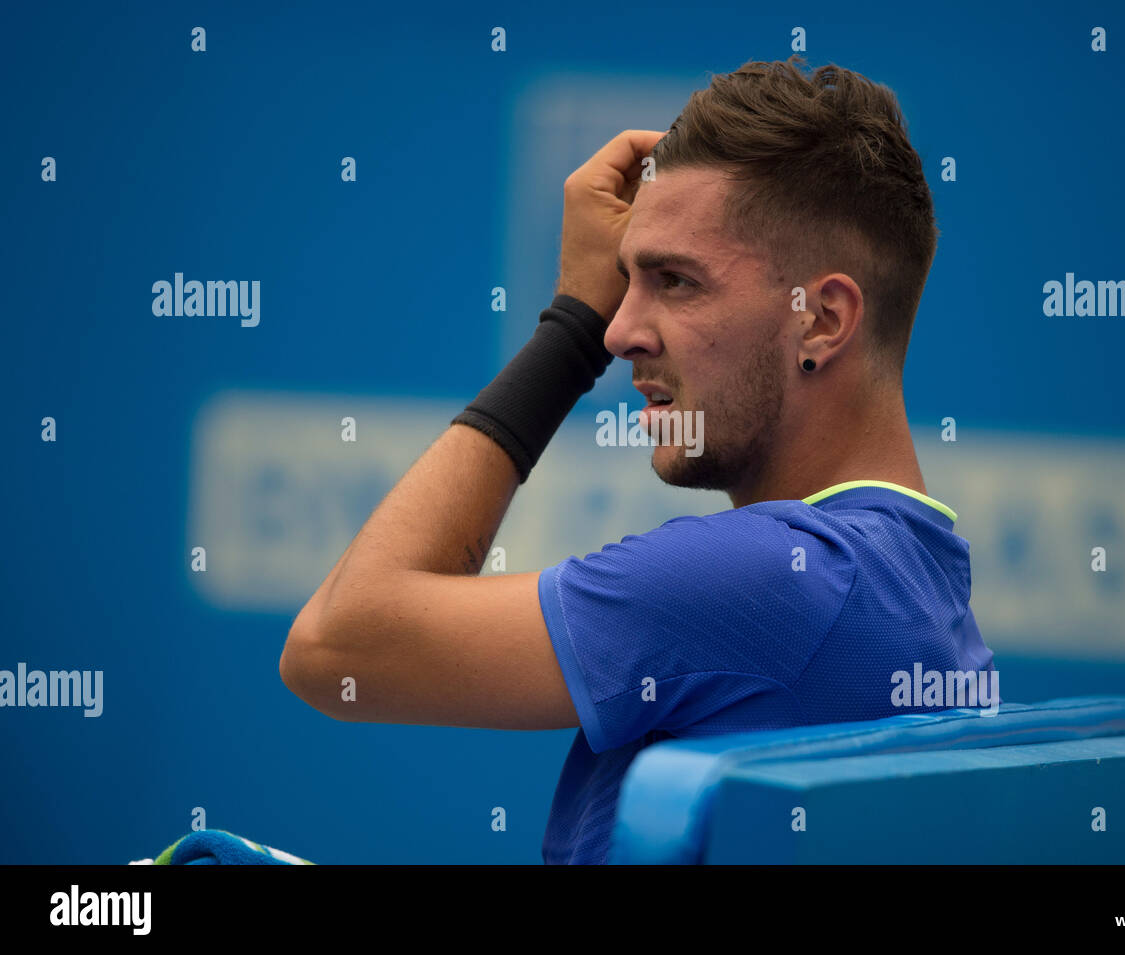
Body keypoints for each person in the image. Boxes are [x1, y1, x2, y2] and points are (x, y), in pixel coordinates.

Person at [279, 55, 995, 864]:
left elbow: (336, 644)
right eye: (621, 284)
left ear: (823, 321)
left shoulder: (777, 579)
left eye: (677, 281)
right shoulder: (922, 580)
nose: (618, 331)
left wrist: (566, 331)